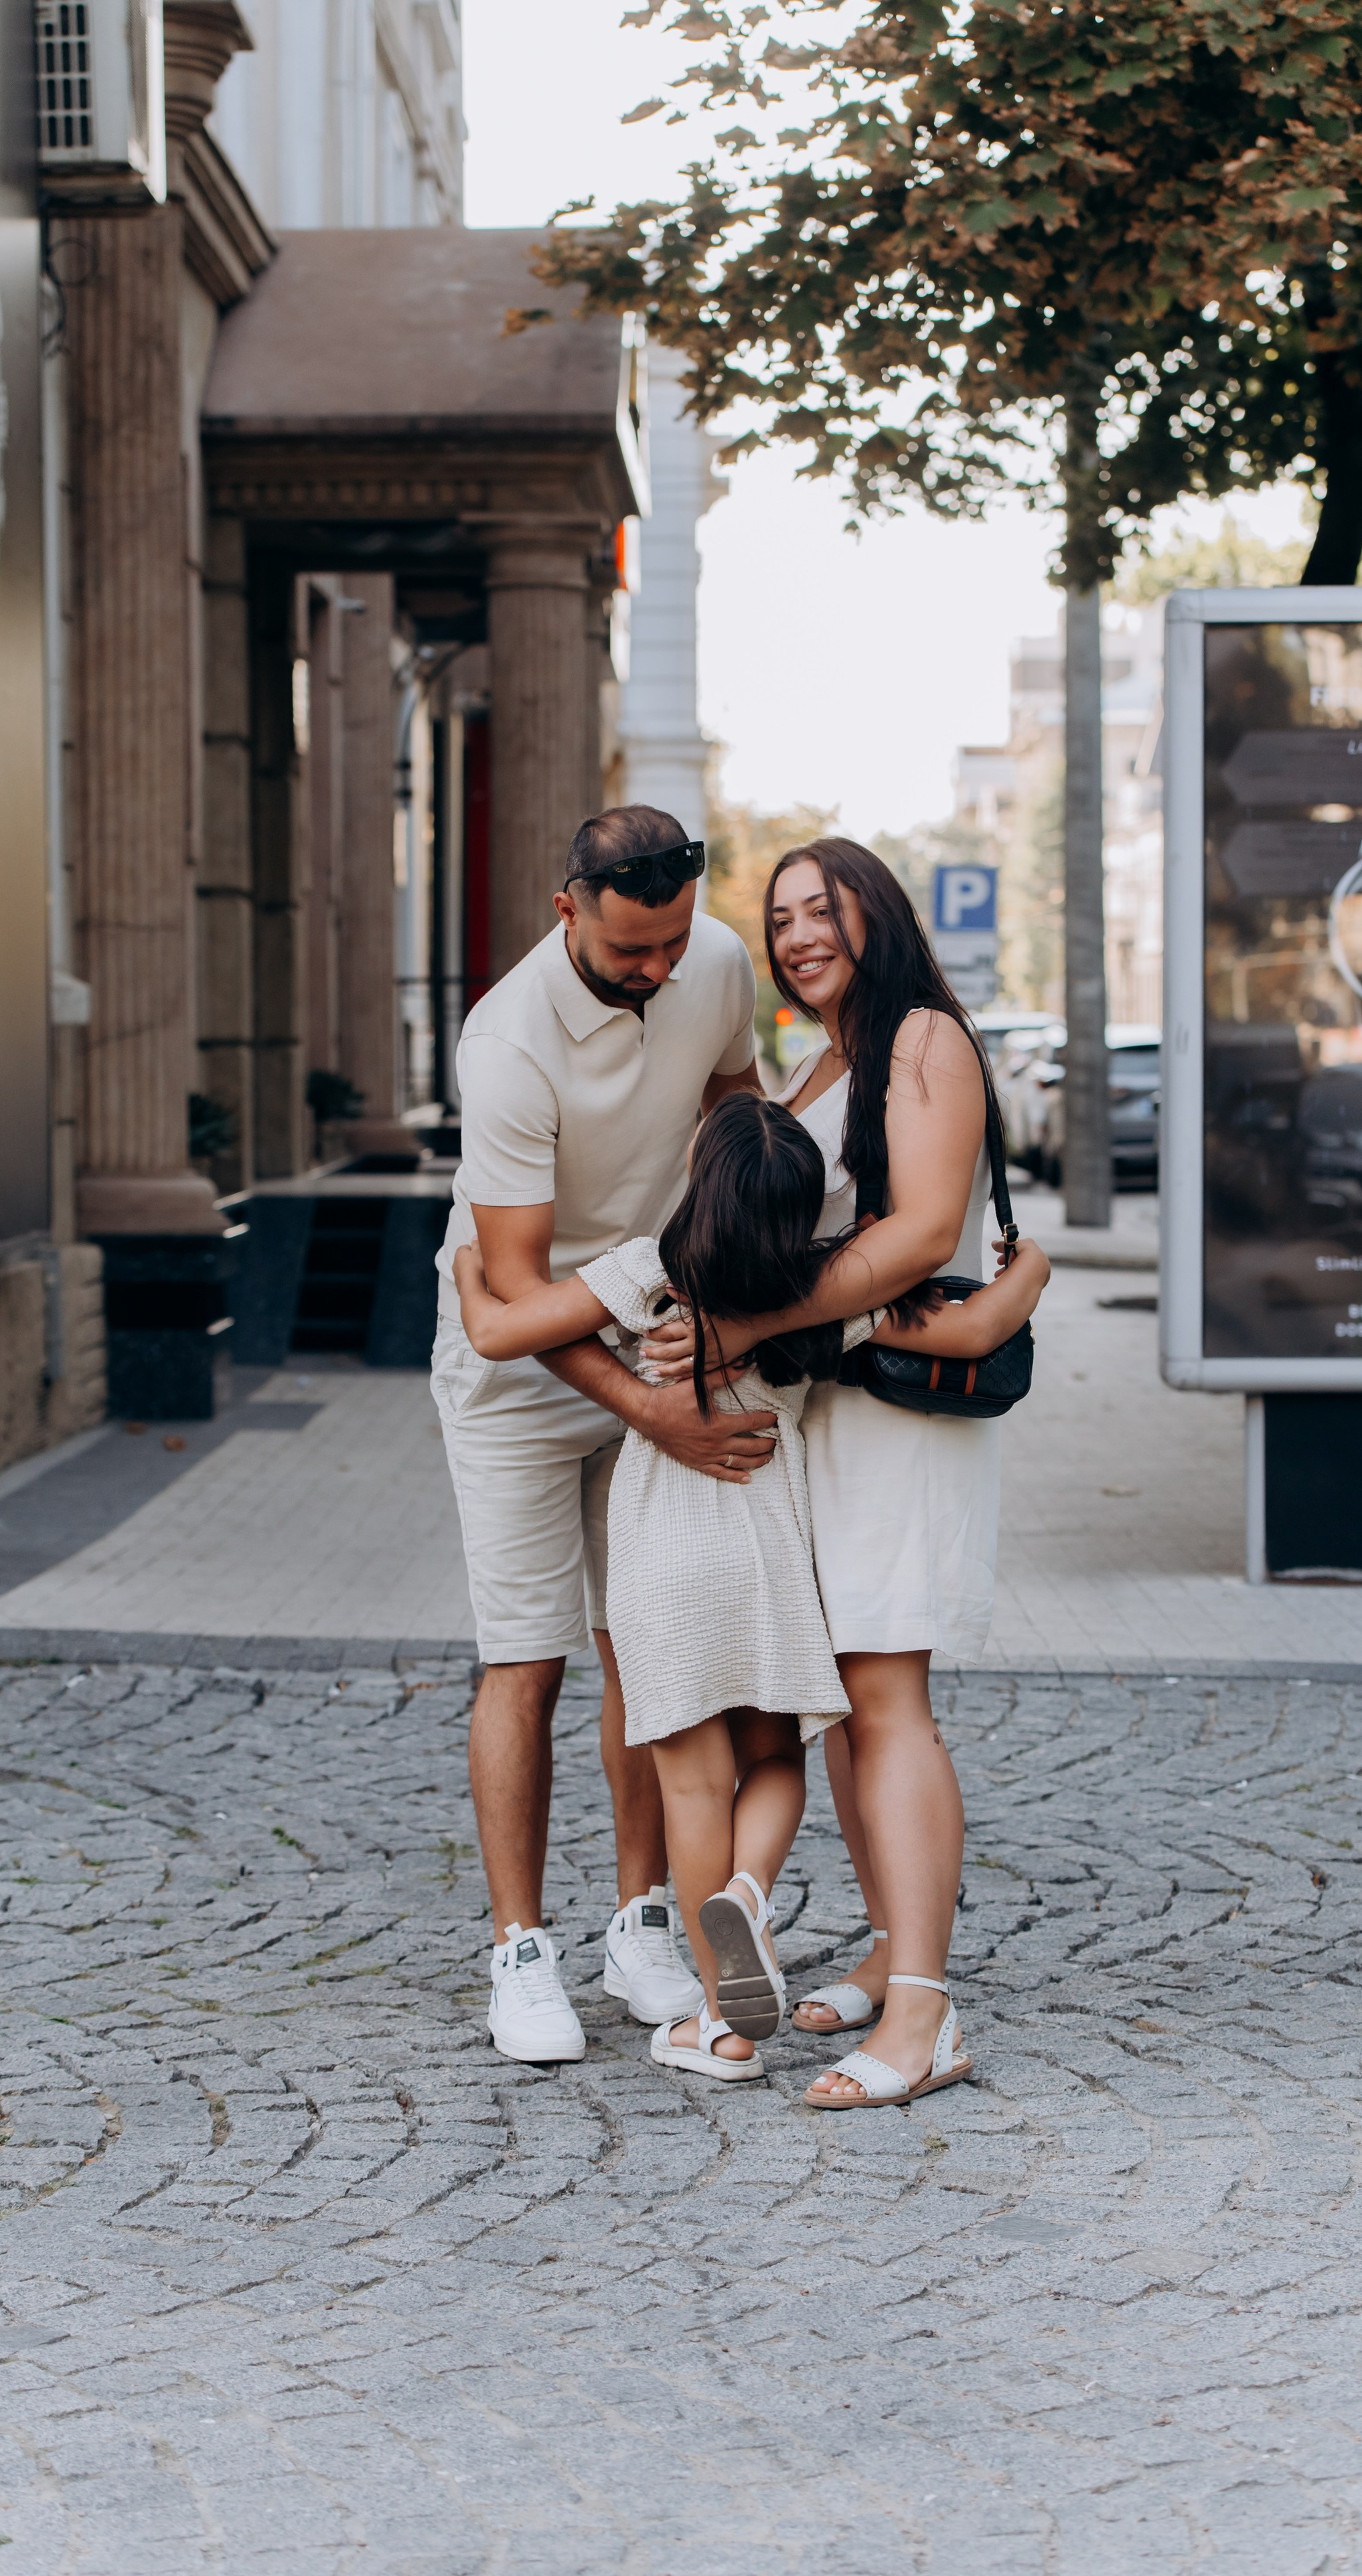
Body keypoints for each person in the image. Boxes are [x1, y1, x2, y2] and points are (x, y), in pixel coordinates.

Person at [455, 1091, 1047, 2087]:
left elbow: (499, 1331)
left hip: (663, 1558)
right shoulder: (818, 1289)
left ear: (701, 1181)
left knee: (693, 1782)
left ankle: (720, 2028)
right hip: (772, 1555)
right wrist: (1031, 1265)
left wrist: (470, 1272)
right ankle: (749, 1892)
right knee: (774, 1758)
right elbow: (977, 1327)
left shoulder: (648, 1270)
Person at [641, 837, 1034, 2108]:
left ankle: (924, 2014)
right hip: (827, 1418)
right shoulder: (824, 1061)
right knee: (852, 1707)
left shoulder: (922, 1039)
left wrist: (742, 1325)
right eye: (782, 918)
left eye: (825, 909)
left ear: (881, 915)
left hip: (898, 1424)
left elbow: (919, 1234)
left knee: (887, 1699)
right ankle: (885, 1947)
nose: (800, 933)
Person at [431, 804, 777, 2065]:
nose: (660, 969)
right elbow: (515, 1299)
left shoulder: (713, 962)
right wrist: (648, 1413)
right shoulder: (506, 1042)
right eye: (634, 949)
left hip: (657, 1332)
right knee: (526, 1659)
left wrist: (708, 1317)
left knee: (648, 1642)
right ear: (566, 908)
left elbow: (736, 1121)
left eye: (675, 941)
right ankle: (520, 1950)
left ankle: (641, 1923)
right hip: (521, 1365)